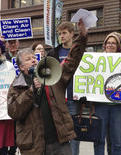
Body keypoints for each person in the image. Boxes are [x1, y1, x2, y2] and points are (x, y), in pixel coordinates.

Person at [7, 19, 87, 155]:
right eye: (28, 59)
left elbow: (71, 61)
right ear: (20, 67)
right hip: (34, 146)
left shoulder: (52, 75)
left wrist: (82, 37)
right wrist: (31, 91)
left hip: (58, 142)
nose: (33, 60)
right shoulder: (17, 86)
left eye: (34, 57)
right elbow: (14, 112)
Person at [47, 21, 81, 155]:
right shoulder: (53, 52)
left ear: (72, 34)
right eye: (60, 34)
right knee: (59, 132)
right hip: (58, 98)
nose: (61, 36)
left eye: (64, 33)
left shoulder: (79, 51)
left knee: (73, 133)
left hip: (74, 97)